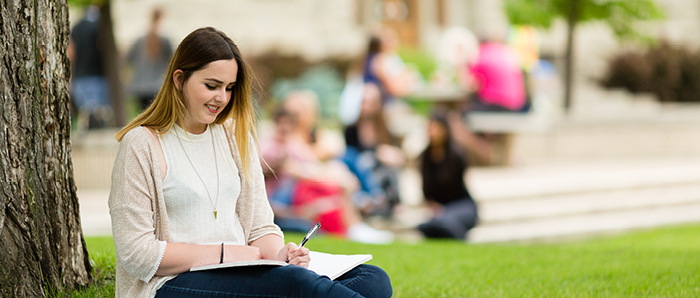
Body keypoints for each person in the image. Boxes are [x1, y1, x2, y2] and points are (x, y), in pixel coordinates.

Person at [109, 27, 392, 298]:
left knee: (373, 280)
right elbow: (137, 254)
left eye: (229, 88)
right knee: (297, 286)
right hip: (171, 284)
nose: (221, 98)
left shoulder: (234, 137)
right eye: (211, 86)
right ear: (179, 79)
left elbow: (260, 227)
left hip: (241, 269)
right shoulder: (142, 143)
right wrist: (224, 254)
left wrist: (280, 254)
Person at [261, 92, 395, 244]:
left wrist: (336, 175)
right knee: (331, 185)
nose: (285, 131)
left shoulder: (294, 144)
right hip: (278, 199)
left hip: (293, 193)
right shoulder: (269, 148)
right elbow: (297, 170)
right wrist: (335, 179)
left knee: (338, 171)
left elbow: (313, 164)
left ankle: (356, 222)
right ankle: (358, 217)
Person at [342, 82, 403, 217]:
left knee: (392, 163)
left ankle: (394, 202)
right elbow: (351, 156)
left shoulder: (385, 129)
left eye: (370, 102)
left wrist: (389, 154)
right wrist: (377, 154)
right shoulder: (351, 129)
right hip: (362, 170)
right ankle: (375, 199)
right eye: (364, 101)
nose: (367, 106)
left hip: (381, 168)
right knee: (366, 161)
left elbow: (395, 151)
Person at [418, 109, 478, 240]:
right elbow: (425, 189)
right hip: (440, 210)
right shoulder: (424, 158)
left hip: (462, 206)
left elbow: (456, 187)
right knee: (424, 226)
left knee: (444, 221)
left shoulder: (456, 155)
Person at [68, 4, 112, 129]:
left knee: (87, 113)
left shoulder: (77, 27)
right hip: (98, 76)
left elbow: (71, 52)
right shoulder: (100, 26)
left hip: (80, 77)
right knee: (99, 114)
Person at [125, 7, 173, 111]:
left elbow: (128, 60)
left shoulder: (139, 41)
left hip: (140, 87)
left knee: (143, 119)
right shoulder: (165, 41)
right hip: (158, 87)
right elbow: (173, 62)